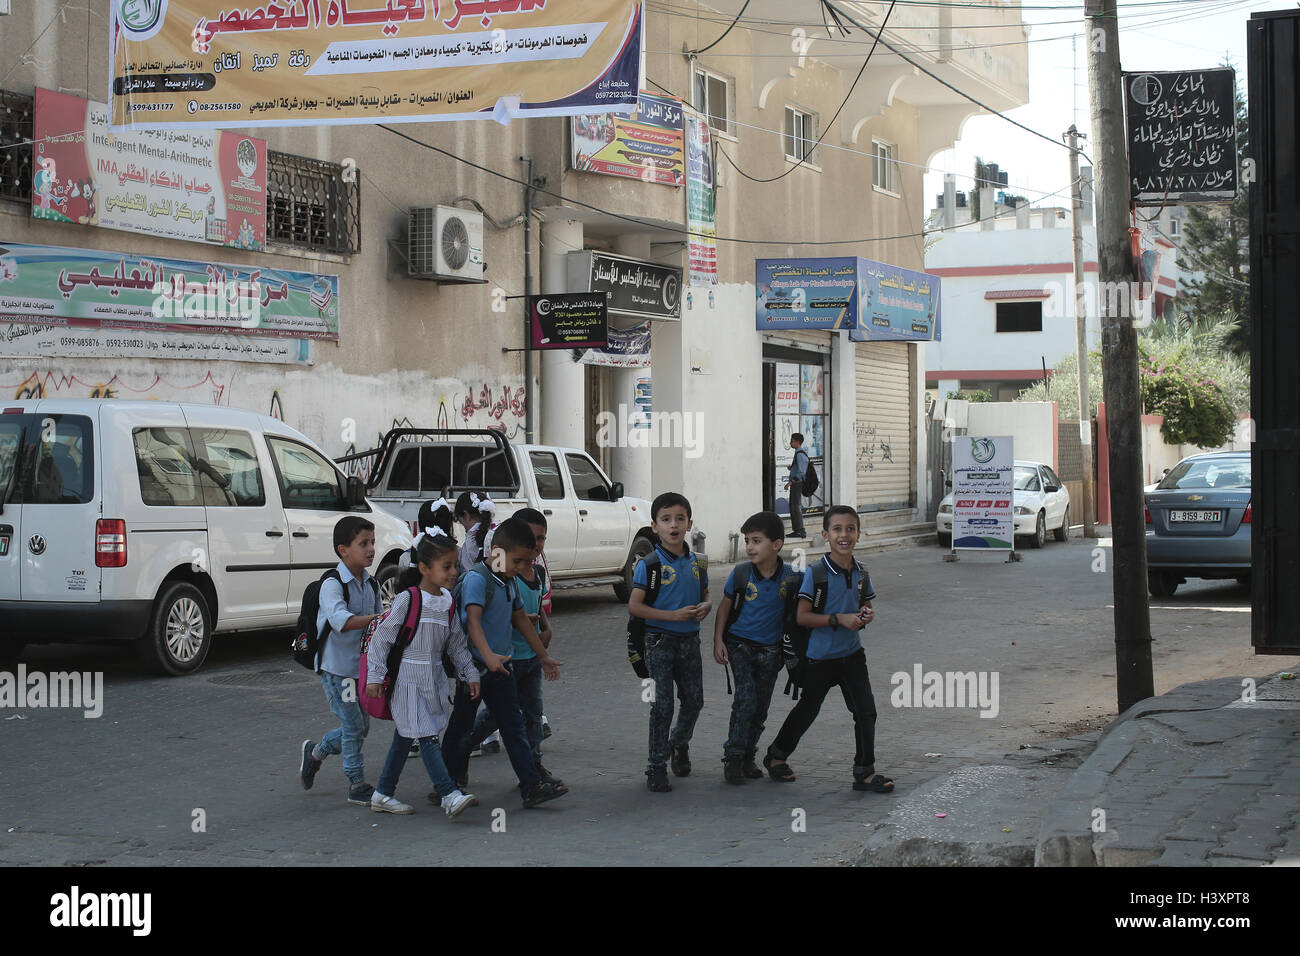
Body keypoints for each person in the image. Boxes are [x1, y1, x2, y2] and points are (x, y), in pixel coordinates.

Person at [763, 505, 894, 794]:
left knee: (866, 712)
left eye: (850, 529)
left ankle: (864, 772)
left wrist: (865, 615)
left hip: (852, 655)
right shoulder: (817, 573)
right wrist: (838, 619)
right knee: (808, 709)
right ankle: (776, 755)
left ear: (859, 534)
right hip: (819, 659)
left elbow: (865, 605)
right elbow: (802, 617)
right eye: (837, 529)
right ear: (825, 535)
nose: (844, 535)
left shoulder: (861, 572)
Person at [440, 517, 568, 808]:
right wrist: (488, 657)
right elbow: (473, 623)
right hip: (474, 668)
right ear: (497, 551)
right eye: (519, 561)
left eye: (528, 562)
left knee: (513, 727)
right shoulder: (477, 579)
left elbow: (521, 620)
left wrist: (542, 655)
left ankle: (531, 786)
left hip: (501, 668)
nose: (524, 568)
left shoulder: (507, 581)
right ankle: (447, 784)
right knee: (461, 726)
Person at [365, 533, 481, 818]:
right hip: (406, 680)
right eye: (447, 566)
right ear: (425, 568)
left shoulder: (447, 603)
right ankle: (448, 794)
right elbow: (381, 638)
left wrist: (470, 672)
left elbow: (456, 644)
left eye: (455, 565)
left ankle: (382, 793)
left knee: (406, 737)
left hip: (432, 679)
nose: (454, 572)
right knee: (427, 735)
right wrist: (375, 676)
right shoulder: (408, 599)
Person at [461, 508, 559, 783]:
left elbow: (530, 613)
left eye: (541, 539)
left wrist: (545, 645)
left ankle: (533, 775)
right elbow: (478, 621)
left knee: (527, 718)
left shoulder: (526, 576)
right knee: (483, 720)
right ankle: (456, 765)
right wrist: (492, 652)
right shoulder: (489, 576)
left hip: (521, 660)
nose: (536, 546)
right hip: (491, 663)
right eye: (530, 539)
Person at [629, 492, 712, 792]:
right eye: (666, 520)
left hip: (690, 641)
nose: (673, 525)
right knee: (662, 706)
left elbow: (705, 593)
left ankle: (678, 743)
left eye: (679, 519)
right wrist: (672, 615)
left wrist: (707, 605)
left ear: (689, 523)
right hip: (659, 642)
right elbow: (635, 607)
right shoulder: (648, 565)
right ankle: (656, 766)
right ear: (655, 526)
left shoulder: (699, 562)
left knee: (694, 700)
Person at [300, 516, 384, 805]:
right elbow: (339, 621)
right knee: (352, 725)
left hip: (359, 668)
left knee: (361, 727)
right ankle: (356, 782)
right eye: (363, 543)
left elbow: (379, 627)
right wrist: (376, 620)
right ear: (343, 549)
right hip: (337, 669)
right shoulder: (332, 585)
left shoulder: (371, 584)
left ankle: (316, 753)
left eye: (372, 542)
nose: (371, 549)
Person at [712, 511, 799, 784]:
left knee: (760, 708)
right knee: (745, 700)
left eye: (756, 541)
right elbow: (724, 608)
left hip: (772, 652)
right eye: (747, 540)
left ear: (777, 545)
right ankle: (733, 757)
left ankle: (749, 755)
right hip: (740, 647)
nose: (749, 547)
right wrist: (718, 641)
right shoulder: (740, 574)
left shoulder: (792, 577)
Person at [454, 491, 496, 573]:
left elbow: (467, 571)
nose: (465, 530)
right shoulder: (496, 532)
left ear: (466, 515)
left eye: (461, 522)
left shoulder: (471, 540)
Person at [784, 433, 809, 538]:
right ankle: (797, 529)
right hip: (796, 483)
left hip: (797, 484)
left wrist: (790, 482)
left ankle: (800, 530)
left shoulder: (800, 454)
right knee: (793, 506)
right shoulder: (798, 453)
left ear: (797, 442)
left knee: (795, 506)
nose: (790, 443)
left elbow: (801, 472)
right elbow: (798, 468)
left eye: (792, 441)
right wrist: (792, 468)